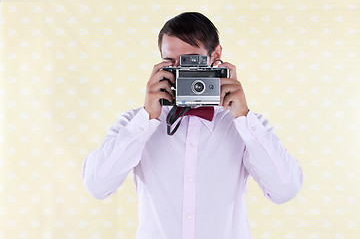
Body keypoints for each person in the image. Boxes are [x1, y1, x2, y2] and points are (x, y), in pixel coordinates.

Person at [82, 12, 303, 239]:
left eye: (190, 61)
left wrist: (244, 119)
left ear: (215, 55)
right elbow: (97, 186)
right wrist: (147, 119)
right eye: (171, 63)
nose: (182, 73)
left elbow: (285, 190)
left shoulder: (246, 126)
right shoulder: (135, 122)